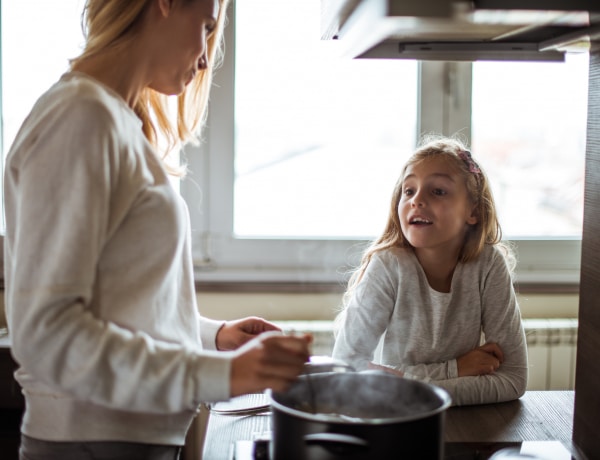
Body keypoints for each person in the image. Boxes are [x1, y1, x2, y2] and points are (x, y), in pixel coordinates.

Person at [3, 0, 311, 458]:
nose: (206, 57)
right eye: (206, 27)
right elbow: (47, 331)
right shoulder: (80, 118)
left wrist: (210, 335)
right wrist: (224, 375)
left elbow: (121, 301)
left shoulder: (110, 119)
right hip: (93, 443)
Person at [332, 135, 528, 406]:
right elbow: (346, 372)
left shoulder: (489, 265)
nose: (416, 200)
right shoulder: (388, 266)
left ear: (473, 211)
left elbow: (513, 380)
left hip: (462, 424)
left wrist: (403, 382)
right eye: (409, 190)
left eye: (438, 191)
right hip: (396, 421)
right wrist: (455, 370)